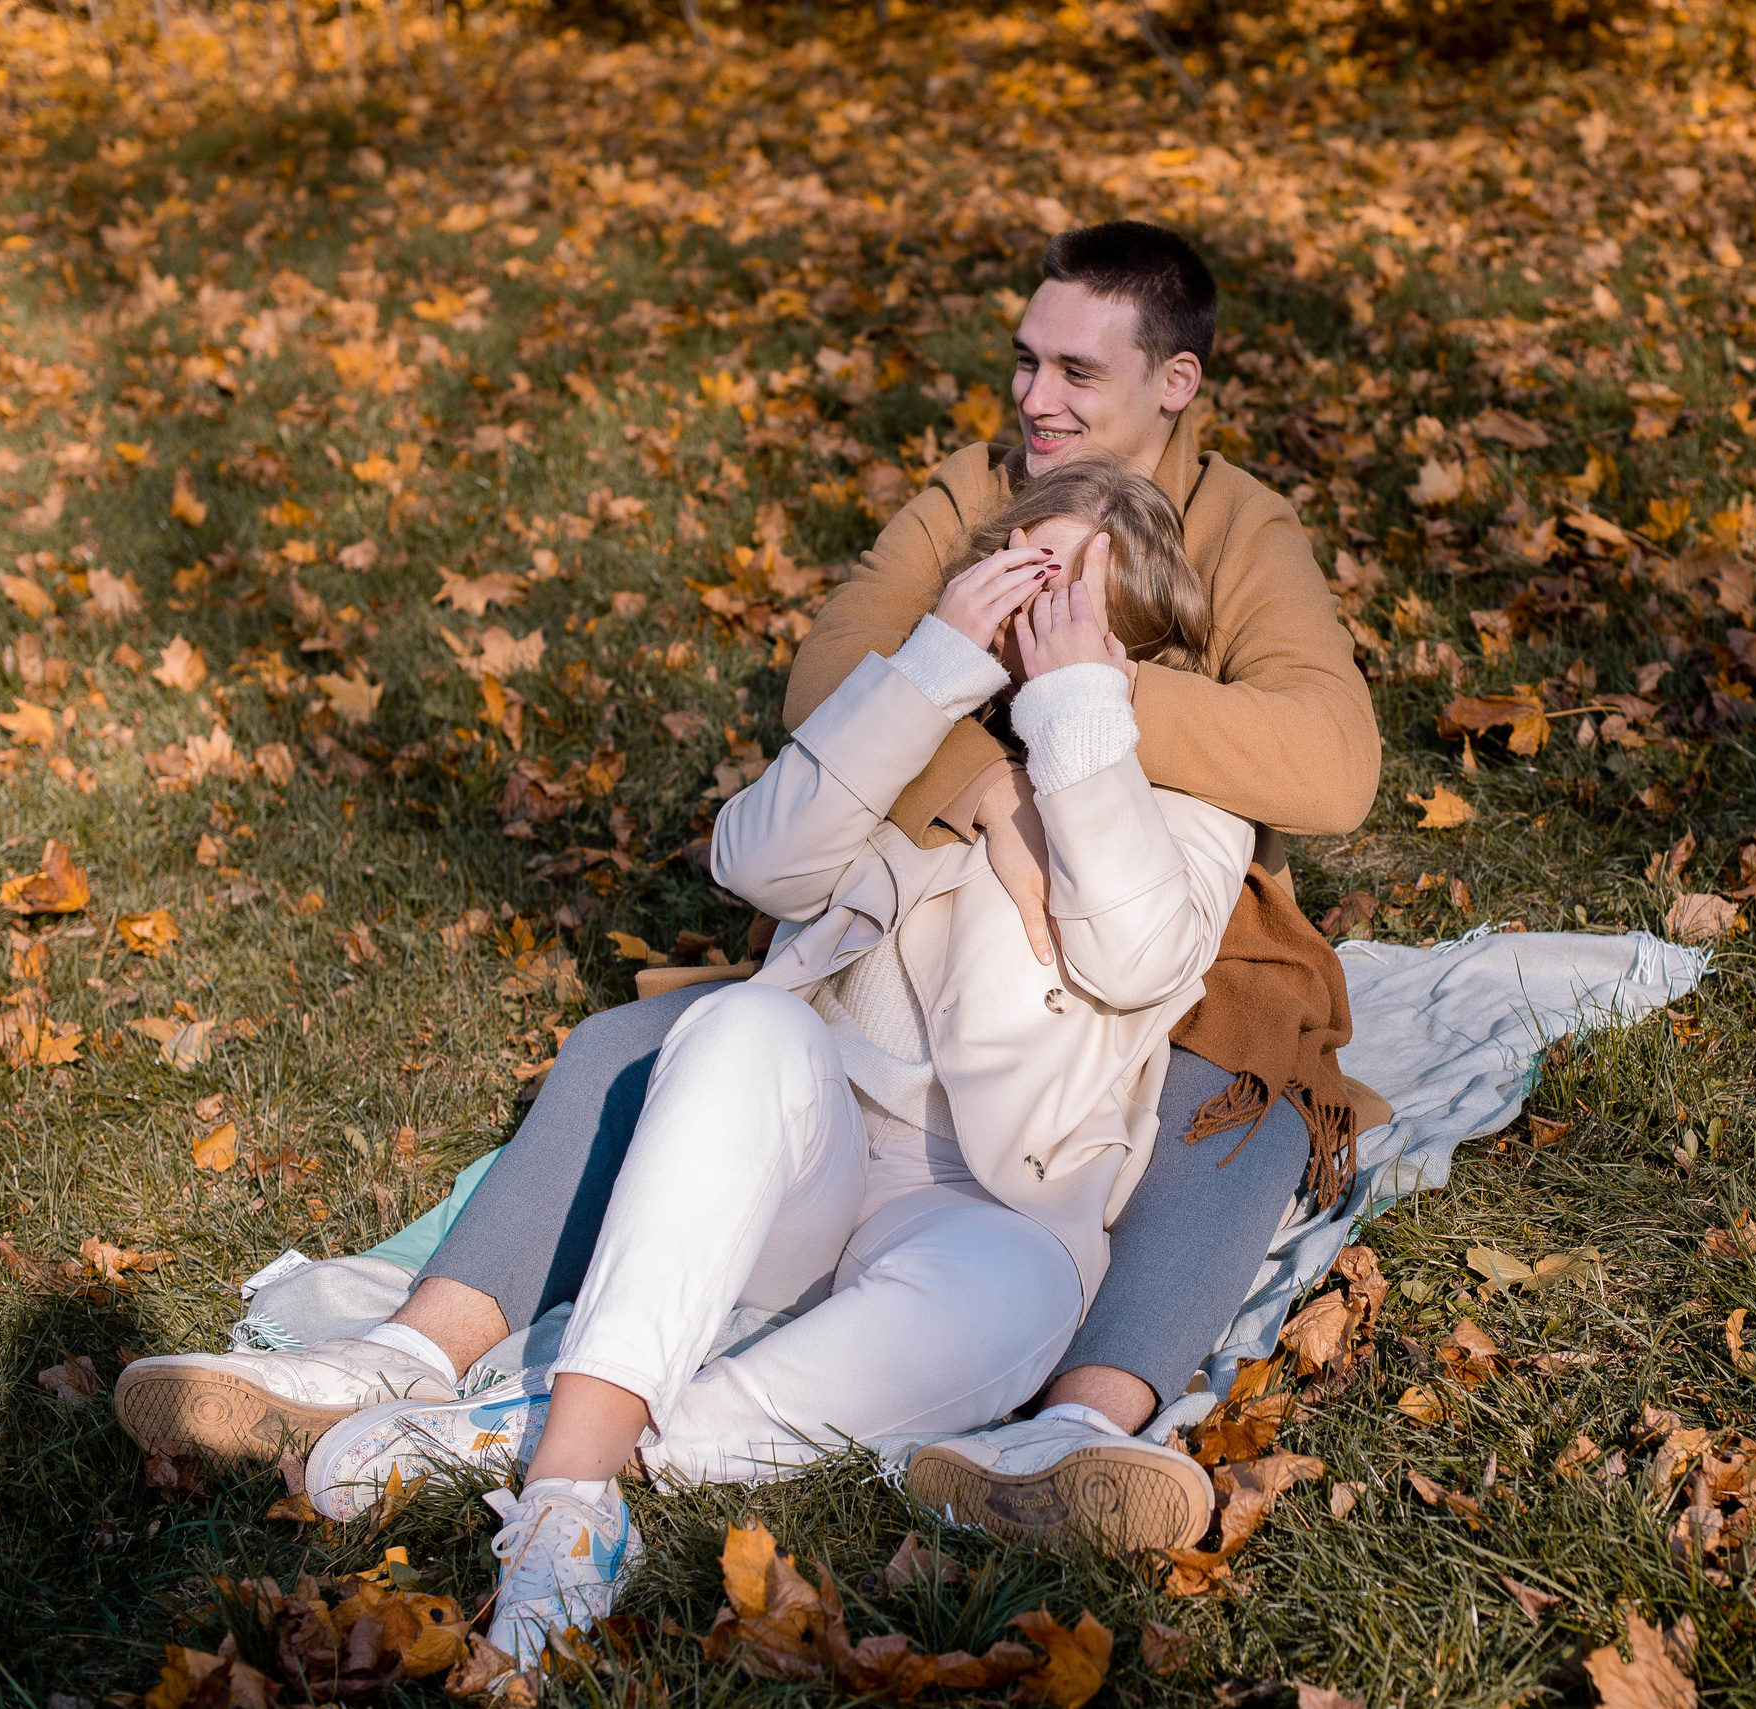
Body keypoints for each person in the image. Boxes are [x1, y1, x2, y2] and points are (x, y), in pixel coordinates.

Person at [113, 219, 1385, 1550]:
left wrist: (1085, 697)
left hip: (1148, 892)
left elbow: (1327, 760)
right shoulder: (977, 490)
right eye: (1024, 361)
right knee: (659, 1043)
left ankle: (1079, 1423)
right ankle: (411, 1354)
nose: (1035, 399)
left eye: (1077, 371)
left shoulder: (1237, 525)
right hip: (917, 868)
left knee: (1236, 1108)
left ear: (1174, 382)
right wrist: (979, 762)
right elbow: (829, 677)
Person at [298, 462, 1258, 1660]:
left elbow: (1134, 954)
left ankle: (556, 1429)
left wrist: (1076, 720)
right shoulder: (924, 730)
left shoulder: (1187, 802)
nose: (1039, 609)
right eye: (1026, 572)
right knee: (743, 1025)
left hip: (995, 1206)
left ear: (1137, 637)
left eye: (1075, 594)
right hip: (811, 1144)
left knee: (1013, 1299)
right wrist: (931, 666)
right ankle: (571, 1497)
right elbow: (751, 863)